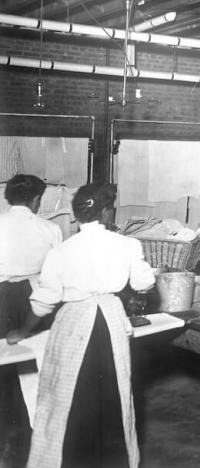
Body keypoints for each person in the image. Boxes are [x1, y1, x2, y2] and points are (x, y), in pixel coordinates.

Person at [7, 182, 155, 468]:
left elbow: (44, 301)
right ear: (107, 213)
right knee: (115, 394)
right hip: (110, 322)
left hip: (72, 325)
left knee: (68, 397)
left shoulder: (62, 250)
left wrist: (23, 331)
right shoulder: (127, 245)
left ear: (77, 216)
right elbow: (144, 283)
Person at [0, 174, 62, 466]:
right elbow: (54, 277)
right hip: (32, 300)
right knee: (34, 369)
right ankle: (33, 441)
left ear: (7, 197)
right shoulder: (50, 229)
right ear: (36, 199)